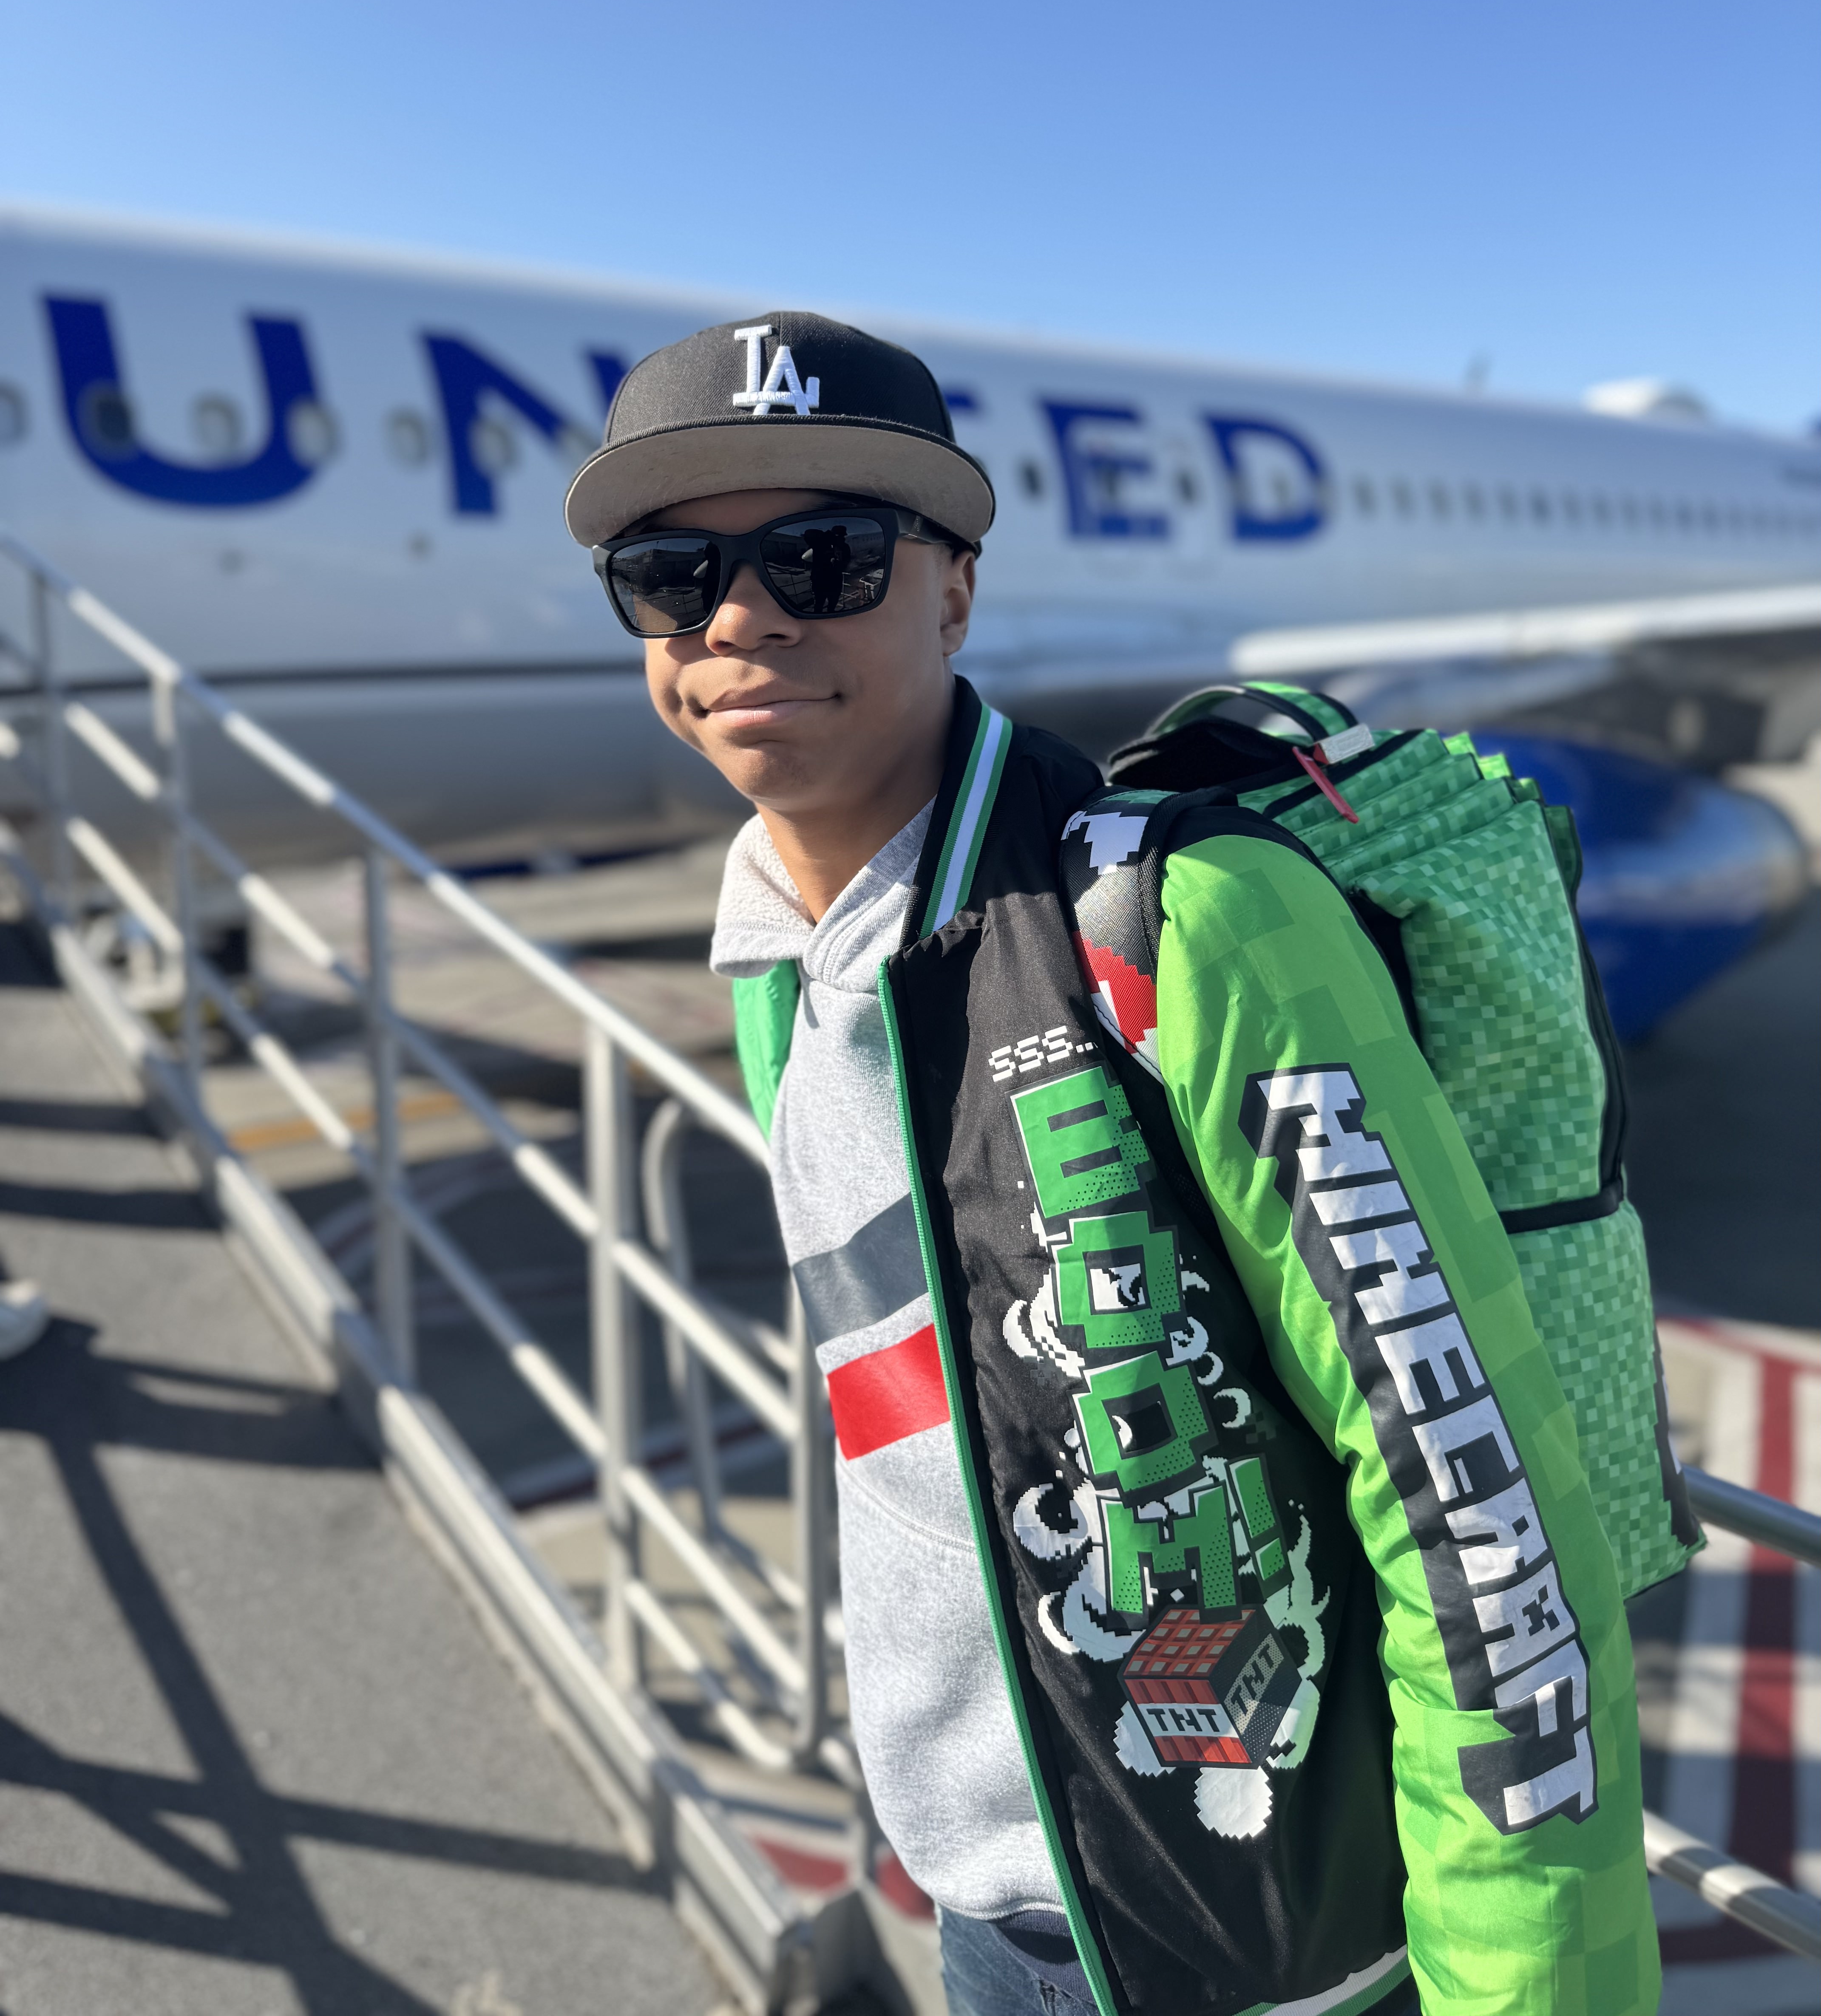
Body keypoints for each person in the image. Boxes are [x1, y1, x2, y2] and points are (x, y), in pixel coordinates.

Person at [564, 314, 1657, 2016]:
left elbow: (1474, 1506)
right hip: (993, 1909)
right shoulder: (788, 964)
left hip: (1265, 1948)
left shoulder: (1184, 921)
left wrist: (1531, 1988)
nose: (737, 617)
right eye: (669, 572)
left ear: (953, 592)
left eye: (825, 558)